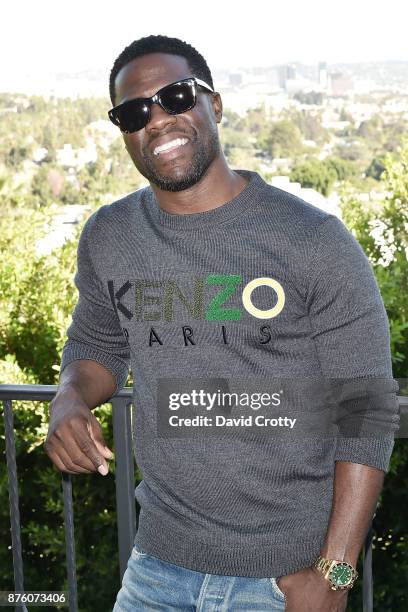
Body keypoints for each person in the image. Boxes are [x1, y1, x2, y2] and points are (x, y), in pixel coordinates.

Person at [44, 35, 400, 611]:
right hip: (157, 568)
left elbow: (365, 407)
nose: (158, 120)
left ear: (216, 104)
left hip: (286, 578)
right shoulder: (110, 236)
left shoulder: (312, 241)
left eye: (177, 96)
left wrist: (333, 575)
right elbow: (96, 346)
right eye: (135, 111)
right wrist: (69, 397)